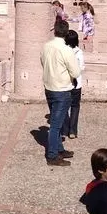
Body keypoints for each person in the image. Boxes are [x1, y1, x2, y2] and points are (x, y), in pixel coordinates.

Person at [40, 20, 80, 166]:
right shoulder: (66, 50)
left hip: (49, 87)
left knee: (58, 121)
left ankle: (59, 149)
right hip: (62, 90)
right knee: (56, 125)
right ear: (66, 32)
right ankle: (52, 155)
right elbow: (75, 72)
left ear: (54, 31)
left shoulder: (46, 46)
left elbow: (43, 62)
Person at [61, 30, 84, 140]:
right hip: (76, 84)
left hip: (65, 83)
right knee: (75, 107)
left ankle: (65, 130)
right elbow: (82, 67)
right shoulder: (79, 52)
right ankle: (72, 131)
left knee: (64, 107)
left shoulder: (63, 51)